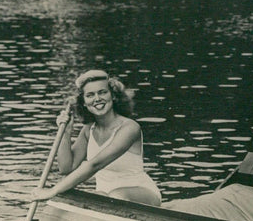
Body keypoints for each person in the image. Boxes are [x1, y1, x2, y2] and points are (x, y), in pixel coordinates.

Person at [31, 70, 162, 206]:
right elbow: (66, 168)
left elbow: (95, 164)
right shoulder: (88, 130)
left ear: (113, 96)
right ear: (84, 102)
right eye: (90, 95)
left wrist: (52, 191)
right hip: (106, 196)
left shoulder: (130, 127)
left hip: (142, 193)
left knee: (116, 196)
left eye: (102, 92)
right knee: (96, 197)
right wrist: (66, 133)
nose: (97, 99)